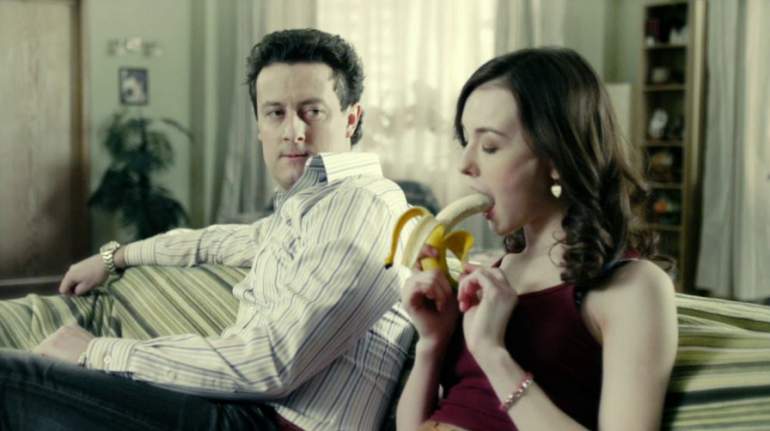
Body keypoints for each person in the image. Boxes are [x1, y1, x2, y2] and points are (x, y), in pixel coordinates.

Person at [0, 29, 414, 431]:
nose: (293, 131)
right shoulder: (313, 206)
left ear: (351, 119)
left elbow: (270, 366)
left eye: (313, 111)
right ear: (259, 126)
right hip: (242, 410)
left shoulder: (359, 206)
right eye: (275, 113)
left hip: (269, 421)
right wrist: (113, 257)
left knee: (10, 377)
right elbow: (215, 242)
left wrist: (95, 351)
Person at [396, 48, 678, 431]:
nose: (465, 164)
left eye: (490, 146)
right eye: (465, 140)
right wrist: (432, 340)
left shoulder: (633, 288)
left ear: (557, 159)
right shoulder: (494, 273)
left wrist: (494, 354)